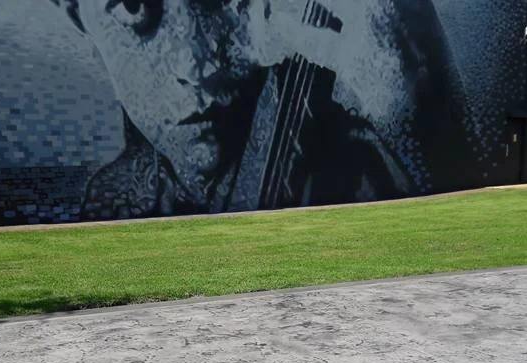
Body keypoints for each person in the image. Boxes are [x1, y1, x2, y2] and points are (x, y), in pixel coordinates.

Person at [51, 0, 471, 220]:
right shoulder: (110, 195)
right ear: (73, 10)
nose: (195, 66)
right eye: (133, 5)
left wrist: (432, 125)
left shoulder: (359, 166)